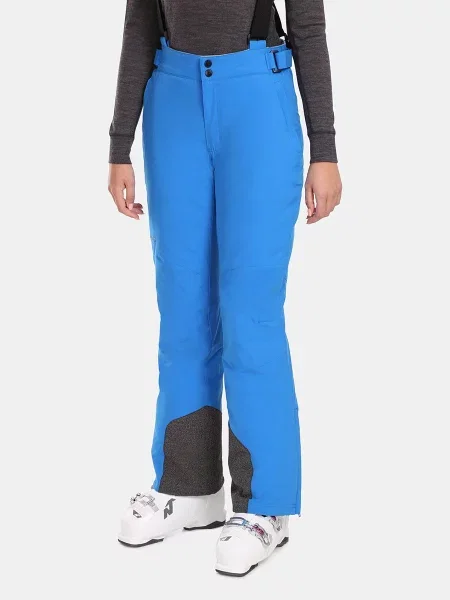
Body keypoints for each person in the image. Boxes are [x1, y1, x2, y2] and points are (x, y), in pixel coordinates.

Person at [108, 0, 342, 576]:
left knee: (250, 314)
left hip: (257, 99)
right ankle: (189, 487)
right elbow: (141, 22)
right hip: (172, 98)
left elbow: (307, 25)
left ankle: (265, 506)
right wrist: (119, 142)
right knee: (182, 308)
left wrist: (325, 147)